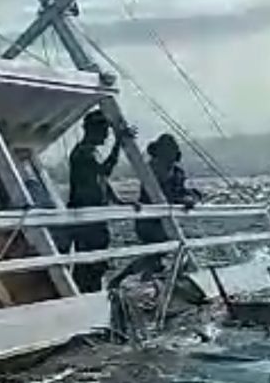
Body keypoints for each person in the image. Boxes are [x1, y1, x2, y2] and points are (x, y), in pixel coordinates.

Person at [107, 134, 202, 292]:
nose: (170, 155)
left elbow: (182, 191)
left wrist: (192, 197)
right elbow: (161, 195)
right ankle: (128, 279)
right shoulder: (150, 171)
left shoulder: (177, 172)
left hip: (164, 220)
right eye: (166, 151)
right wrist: (182, 199)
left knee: (156, 256)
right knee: (157, 253)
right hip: (149, 220)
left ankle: (138, 279)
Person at [67, 110, 135, 293]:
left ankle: (92, 295)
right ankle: (88, 299)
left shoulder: (90, 152)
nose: (106, 136)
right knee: (89, 266)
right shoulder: (84, 153)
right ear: (94, 130)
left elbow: (101, 181)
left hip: (94, 218)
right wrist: (119, 143)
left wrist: (119, 201)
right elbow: (105, 171)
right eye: (105, 131)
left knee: (95, 264)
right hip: (87, 219)